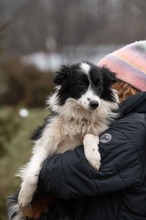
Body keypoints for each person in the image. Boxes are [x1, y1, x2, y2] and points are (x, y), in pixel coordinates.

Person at [36, 41, 146, 220]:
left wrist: (37, 168)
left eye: (100, 84)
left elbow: (59, 175)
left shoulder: (134, 129)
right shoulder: (128, 120)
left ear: (126, 87)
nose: (95, 92)